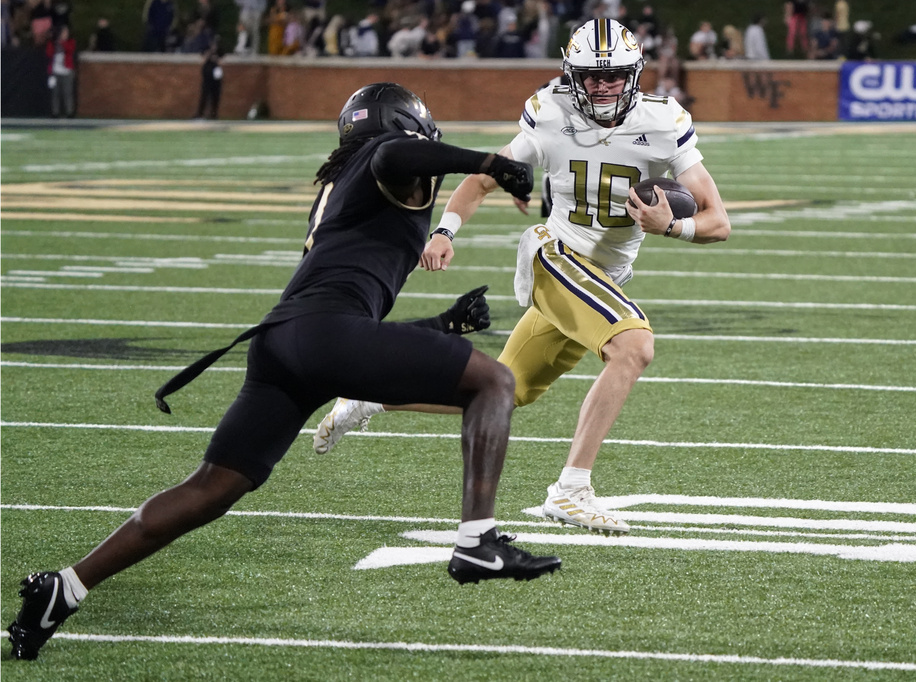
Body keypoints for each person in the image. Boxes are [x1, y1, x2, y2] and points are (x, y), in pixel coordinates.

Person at [6, 82, 560, 663]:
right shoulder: (389, 161)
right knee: (496, 382)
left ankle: (65, 586)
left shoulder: (344, 183)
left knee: (212, 487)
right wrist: (489, 162)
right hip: (323, 334)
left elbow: (347, 318)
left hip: (284, 342)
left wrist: (440, 327)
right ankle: (477, 544)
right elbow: (395, 157)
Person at [313, 19, 731, 535]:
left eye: (614, 76)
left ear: (635, 74)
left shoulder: (665, 121)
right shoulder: (551, 113)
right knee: (633, 345)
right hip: (553, 255)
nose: (602, 87)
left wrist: (674, 226)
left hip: (603, 276)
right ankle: (572, 489)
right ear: (571, 75)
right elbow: (485, 176)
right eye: (591, 77)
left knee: (502, 389)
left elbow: (719, 221)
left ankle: (369, 394)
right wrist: (445, 231)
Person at [45, 23, 75, 118]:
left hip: (67, 71)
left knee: (67, 93)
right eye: (64, 32)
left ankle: (69, 112)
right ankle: (55, 112)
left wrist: (62, 42)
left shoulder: (71, 42)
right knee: (55, 93)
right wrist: (54, 41)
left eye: (67, 32)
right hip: (55, 71)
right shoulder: (52, 43)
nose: (65, 34)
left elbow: (70, 49)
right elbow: (49, 53)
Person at [193, 43, 223, 119]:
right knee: (204, 96)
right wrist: (208, 55)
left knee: (215, 97)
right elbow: (203, 61)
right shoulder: (206, 53)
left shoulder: (218, 54)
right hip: (207, 79)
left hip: (216, 79)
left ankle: (214, 114)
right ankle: (200, 114)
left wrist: (216, 59)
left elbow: (221, 62)